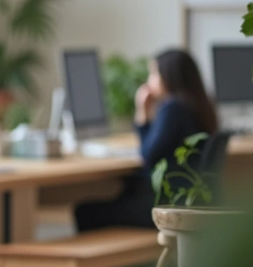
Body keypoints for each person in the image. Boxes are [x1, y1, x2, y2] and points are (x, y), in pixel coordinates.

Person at [75, 49, 220, 232]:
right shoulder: (200, 106)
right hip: (187, 202)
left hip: (164, 206)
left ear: (168, 77)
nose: (149, 80)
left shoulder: (172, 108)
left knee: (84, 212)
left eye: (153, 73)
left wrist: (142, 113)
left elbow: (147, 155)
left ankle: (124, 260)